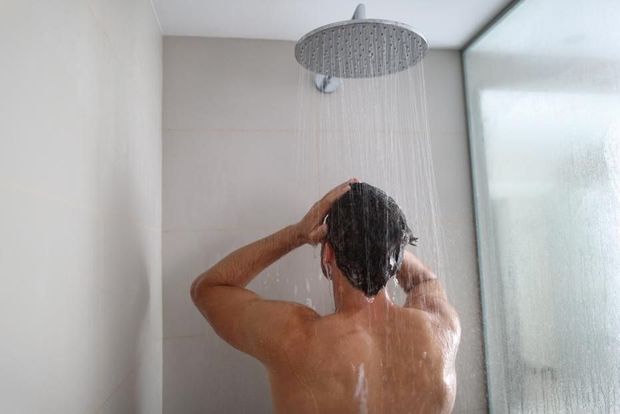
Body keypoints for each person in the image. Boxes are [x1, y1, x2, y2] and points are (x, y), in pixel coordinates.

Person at [190, 179, 461, 413]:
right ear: (397, 255)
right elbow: (425, 280)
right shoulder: (440, 330)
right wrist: (382, 242)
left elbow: (209, 288)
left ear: (327, 253)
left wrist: (298, 234)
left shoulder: (295, 339)